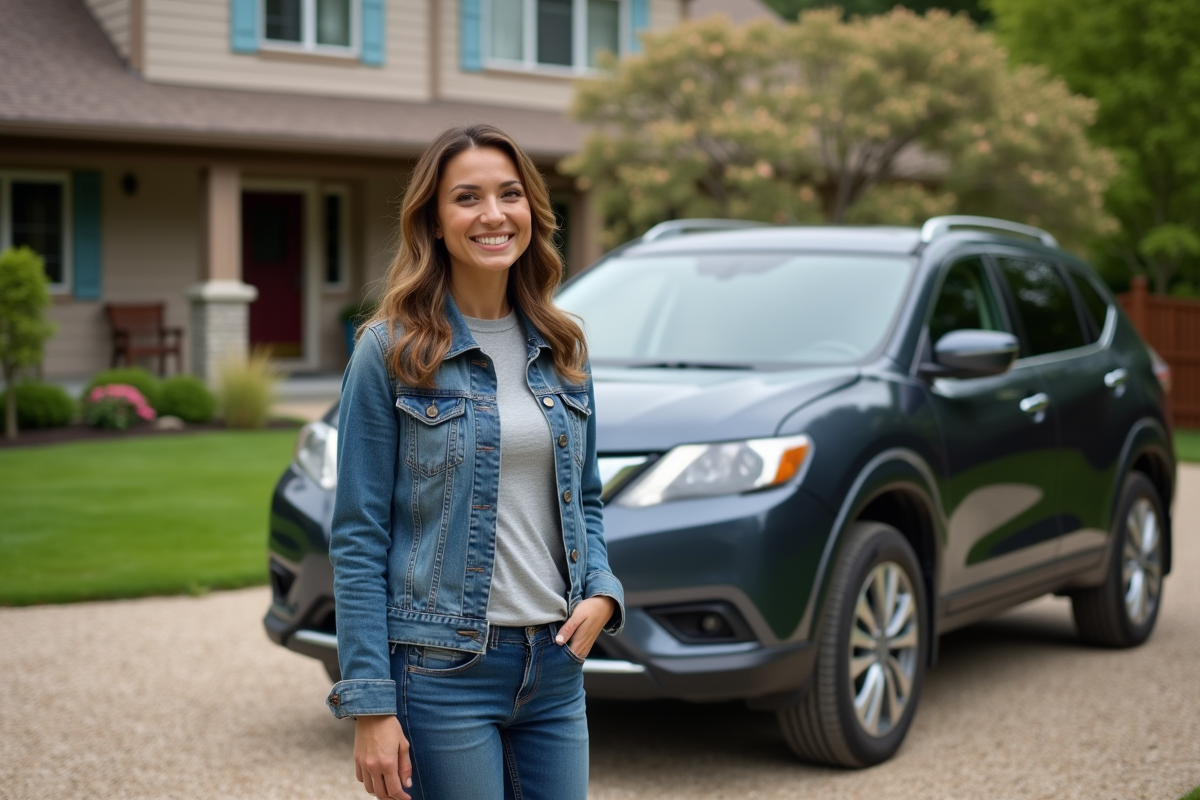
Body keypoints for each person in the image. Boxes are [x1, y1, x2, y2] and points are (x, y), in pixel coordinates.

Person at [325, 123, 624, 800]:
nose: (493, 214)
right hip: (441, 672)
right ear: (434, 220)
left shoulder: (563, 348)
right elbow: (359, 536)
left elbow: (585, 498)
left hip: (555, 668)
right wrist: (370, 703)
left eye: (509, 194)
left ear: (531, 210)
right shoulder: (391, 352)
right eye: (467, 198)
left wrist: (603, 591)